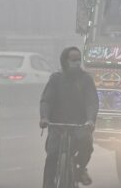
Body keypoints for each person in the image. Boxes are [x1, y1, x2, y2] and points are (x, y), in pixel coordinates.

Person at [40, 47, 99, 188]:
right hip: (57, 125)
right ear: (65, 61)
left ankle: (80, 169)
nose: (77, 62)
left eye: (79, 59)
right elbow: (46, 100)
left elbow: (91, 101)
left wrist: (90, 119)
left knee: (86, 146)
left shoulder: (86, 79)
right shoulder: (56, 79)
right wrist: (44, 118)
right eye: (73, 60)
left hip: (79, 125)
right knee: (52, 157)